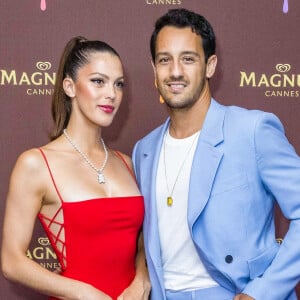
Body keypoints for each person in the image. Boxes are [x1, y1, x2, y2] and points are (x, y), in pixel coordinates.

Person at [132, 8, 300, 300]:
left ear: (210, 66)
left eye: (188, 59)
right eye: (164, 60)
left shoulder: (253, 130)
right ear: (154, 68)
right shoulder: (143, 150)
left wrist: (261, 293)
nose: (175, 71)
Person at [1, 36, 150, 300]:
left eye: (118, 84)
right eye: (98, 81)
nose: (111, 94)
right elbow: (11, 261)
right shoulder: (36, 164)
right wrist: (84, 292)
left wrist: (142, 279)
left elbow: (141, 241)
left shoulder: (127, 163)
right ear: (69, 86)